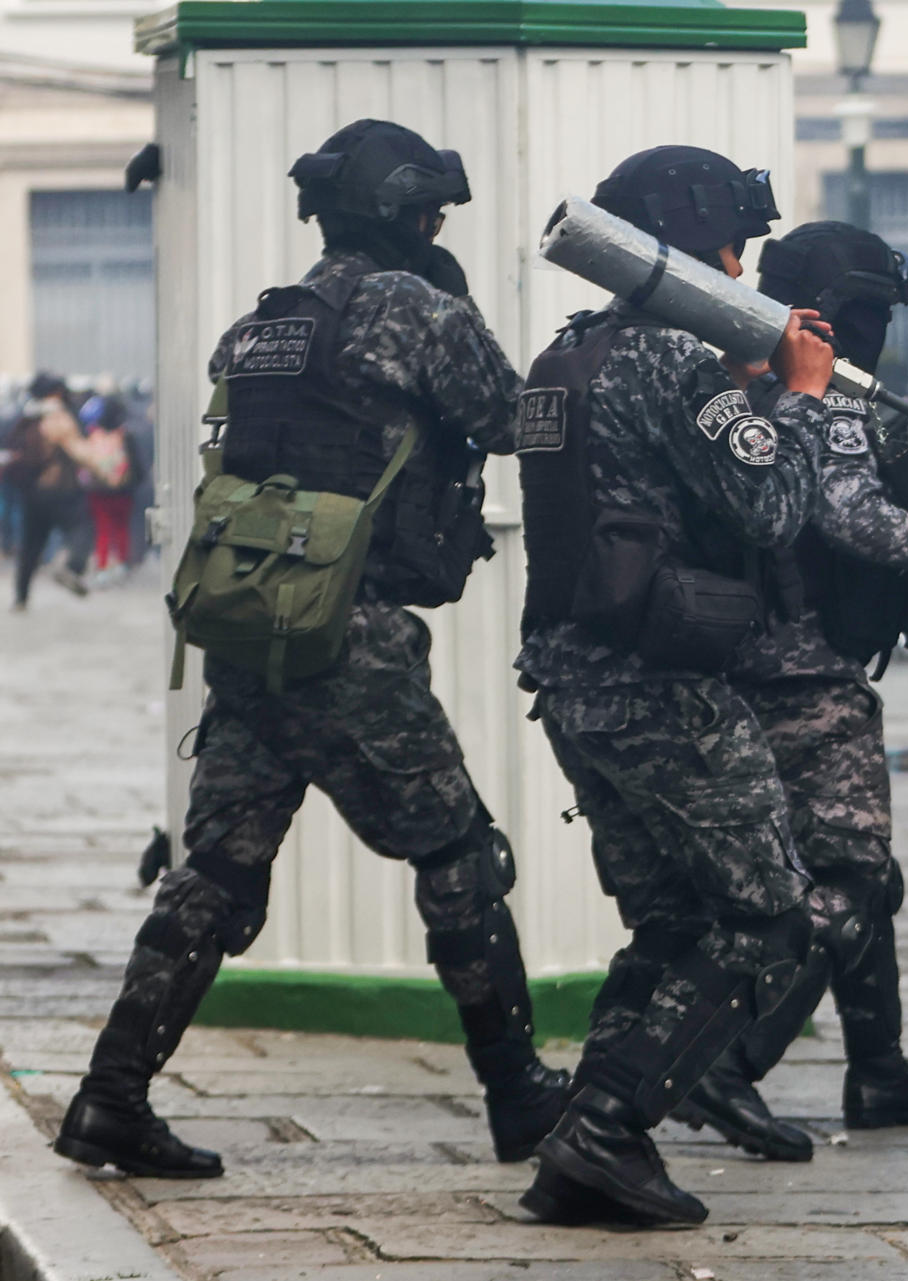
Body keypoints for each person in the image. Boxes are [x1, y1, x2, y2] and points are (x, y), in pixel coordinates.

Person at [53, 120, 569, 1179]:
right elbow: (520, 422)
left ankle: (111, 1099)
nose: (437, 229)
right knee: (462, 857)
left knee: (216, 875)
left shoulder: (260, 327)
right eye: (430, 212)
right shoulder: (419, 312)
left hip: (253, 630)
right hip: (354, 640)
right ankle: (520, 1098)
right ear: (401, 215)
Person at [510, 145, 837, 1228]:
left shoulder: (568, 356)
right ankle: (606, 1132)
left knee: (668, 924)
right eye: (736, 246)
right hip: (662, 688)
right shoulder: (677, 364)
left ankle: (581, 1144)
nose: (745, 267)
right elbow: (775, 507)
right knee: (768, 918)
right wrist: (797, 398)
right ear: (700, 246)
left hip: (570, 680)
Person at [670, 221, 908, 1163]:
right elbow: (847, 516)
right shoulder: (827, 399)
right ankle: (727, 1058)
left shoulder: (722, 386)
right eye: (870, 314)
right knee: (849, 875)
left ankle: (879, 1066)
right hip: (807, 679)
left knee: (843, 873)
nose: (875, 332)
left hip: (731, 670)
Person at [5, 373, 95, 607]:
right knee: (82, 528)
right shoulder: (59, 416)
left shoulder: (25, 416)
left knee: (30, 546)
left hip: (32, 492)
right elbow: (79, 450)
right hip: (61, 490)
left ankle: (21, 597)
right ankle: (71, 567)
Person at [80, 394, 140, 582]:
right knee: (122, 528)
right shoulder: (125, 435)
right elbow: (137, 465)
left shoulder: (92, 435)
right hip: (123, 492)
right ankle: (122, 564)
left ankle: (103, 566)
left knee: (103, 529)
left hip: (98, 491)